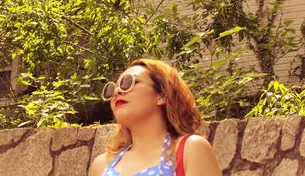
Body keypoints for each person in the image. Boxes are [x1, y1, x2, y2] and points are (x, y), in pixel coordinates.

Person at [89, 58, 221, 176]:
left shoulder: (190, 150)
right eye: (112, 89)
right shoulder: (101, 165)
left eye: (128, 82)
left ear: (162, 95)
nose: (117, 92)